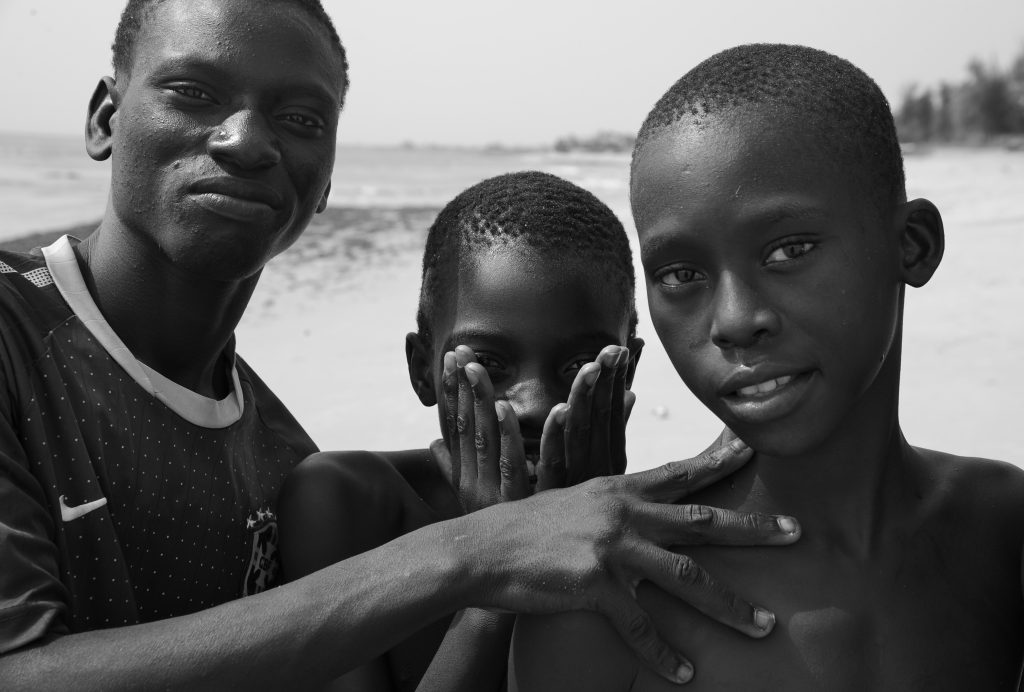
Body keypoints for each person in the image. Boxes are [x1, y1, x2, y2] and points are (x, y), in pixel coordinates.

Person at [0, 3, 802, 688]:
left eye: (300, 120)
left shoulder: (280, 459)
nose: (246, 140)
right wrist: (479, 555)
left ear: (327, 182)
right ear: (107, 118)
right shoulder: (13, 329)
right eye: (192, 92)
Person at [510, 43, 1024, 690]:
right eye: (681, 274)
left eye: (789, 249)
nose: (733, 319)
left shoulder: (1003, 529)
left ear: (911, 246)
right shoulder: (607, 598)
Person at [280, 172, 800, 691]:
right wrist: (500, 561)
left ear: (626, 372)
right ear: (423, 368)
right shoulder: (348, 499)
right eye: (488, 362)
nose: (533, 405)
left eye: (578, 367)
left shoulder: (647, 537)